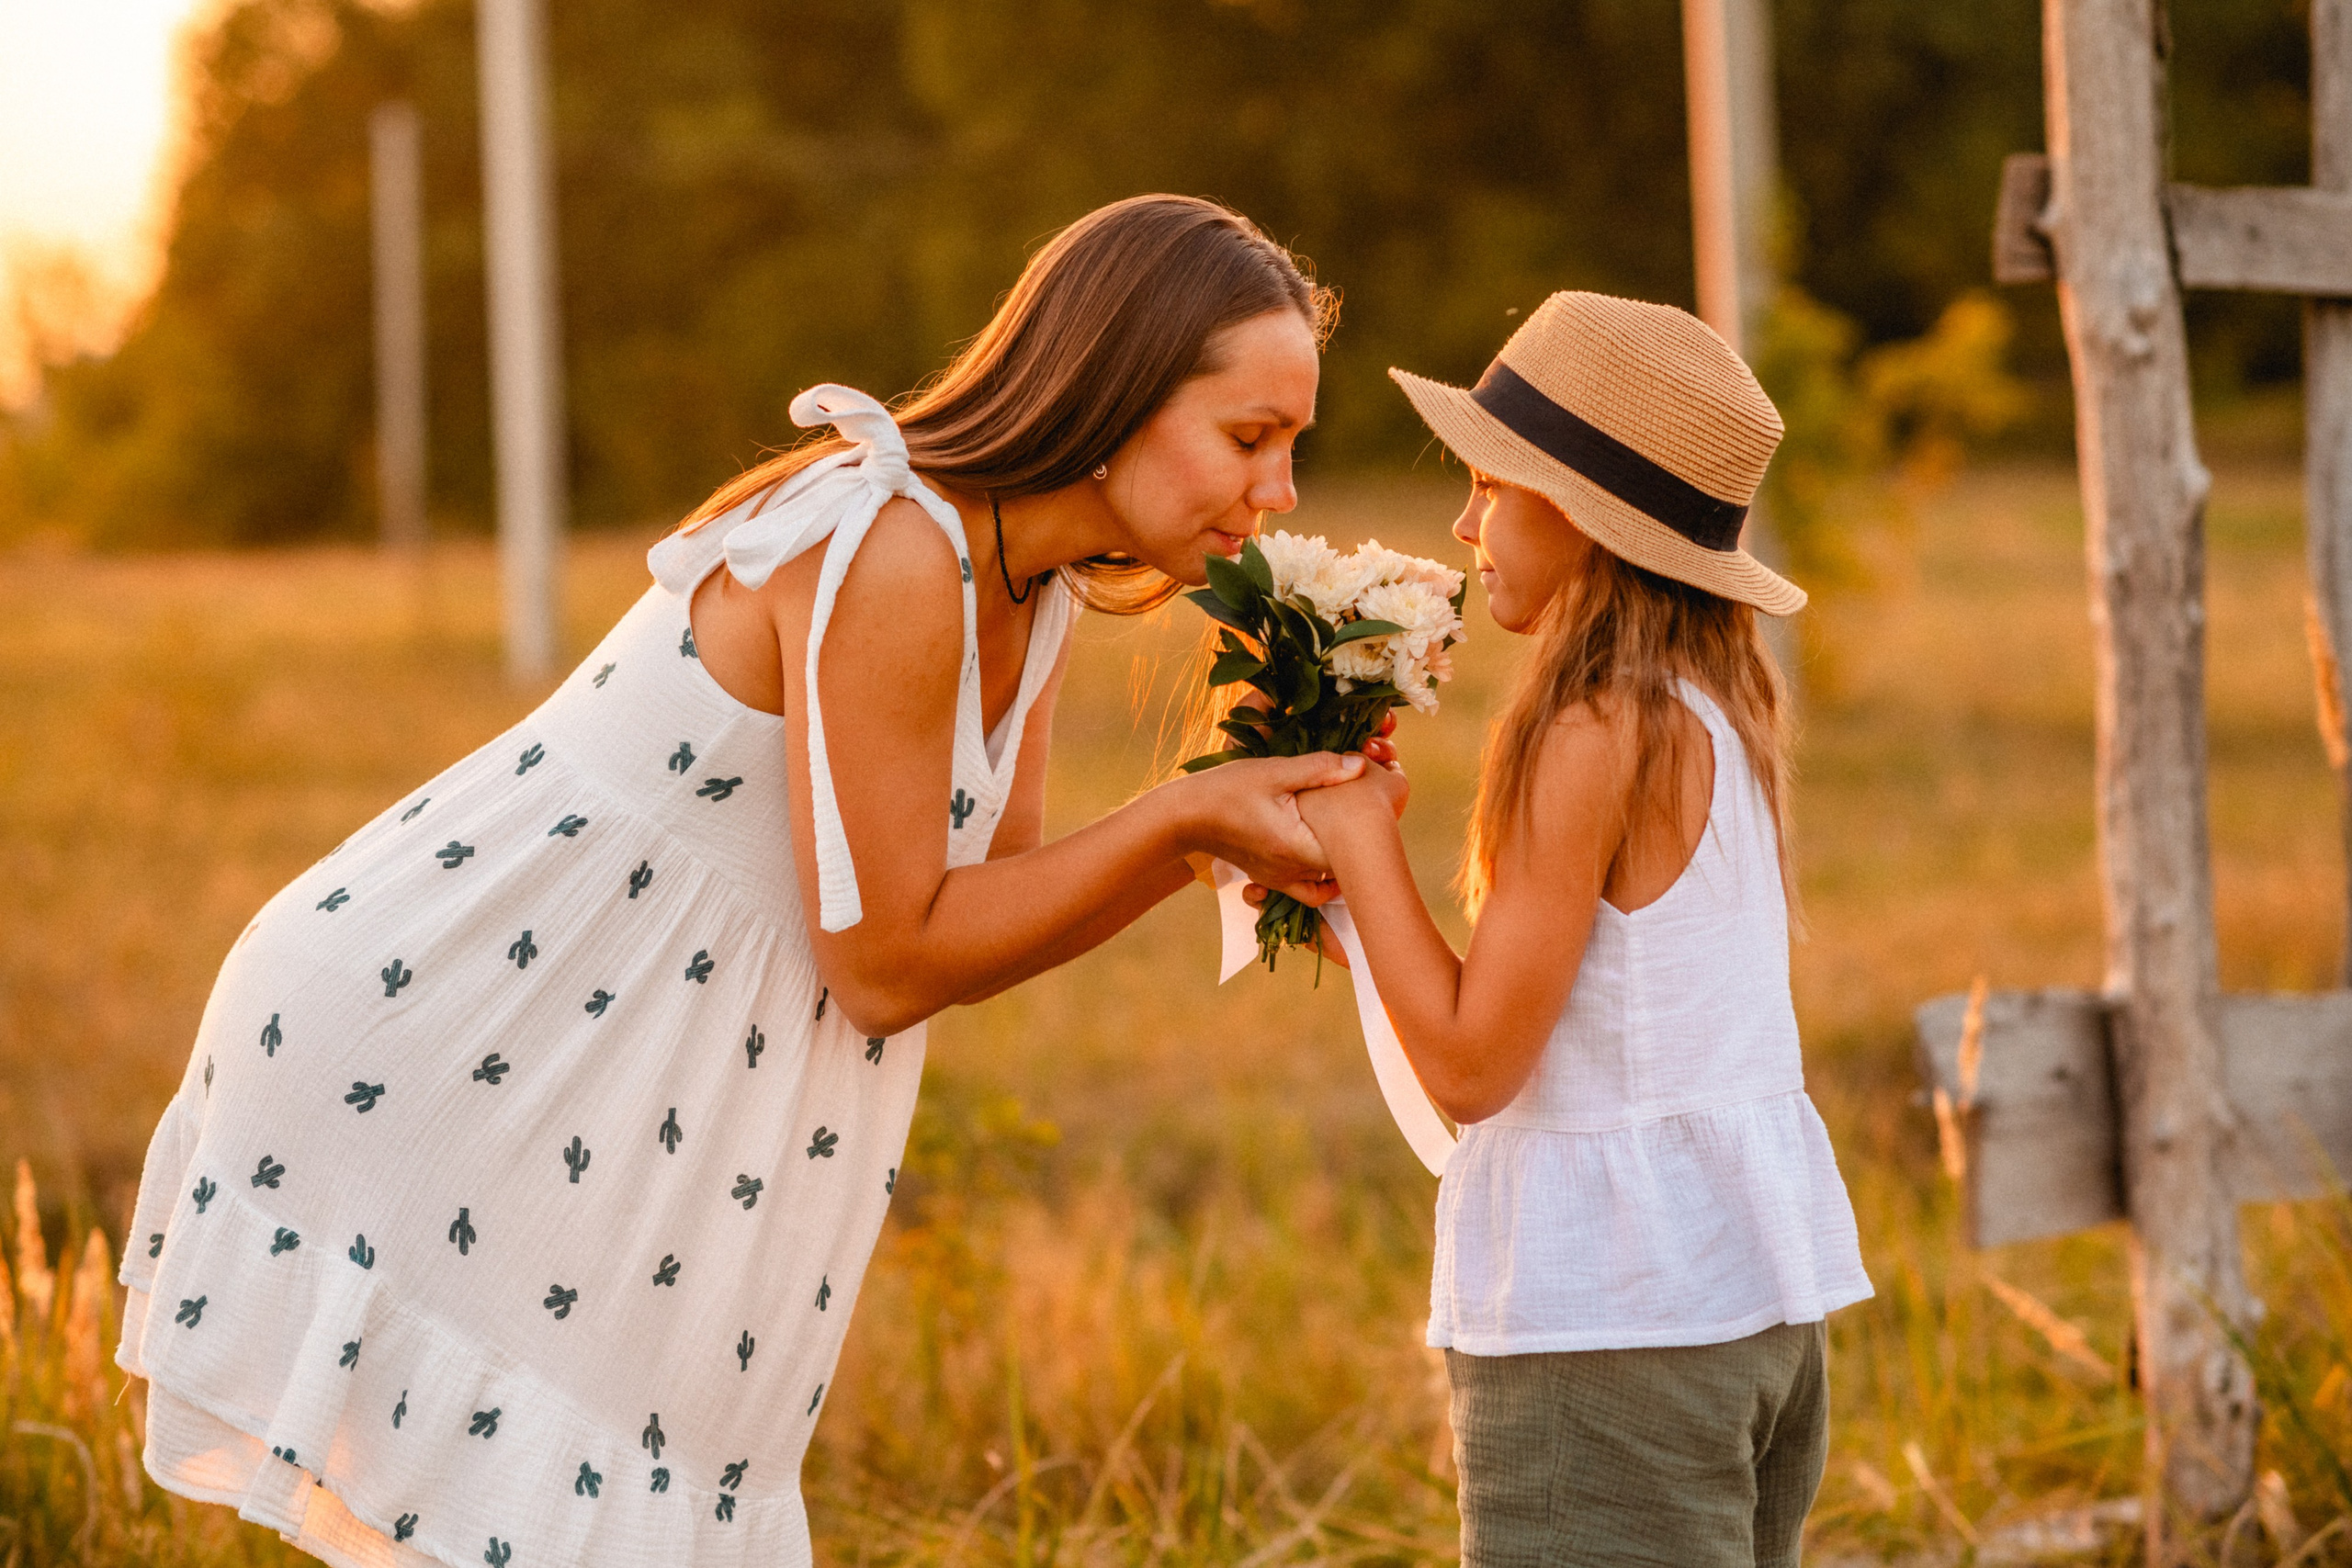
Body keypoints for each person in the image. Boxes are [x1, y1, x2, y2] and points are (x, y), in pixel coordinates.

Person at [114, 194, 1378, 1568]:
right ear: (1114, 391)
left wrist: (1216, 821)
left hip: (651, 1091)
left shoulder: (1038, 585)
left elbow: (988, 911)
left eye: (1291, 446)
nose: (1281, 491)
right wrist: (1190, 822)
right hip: (472, 1037)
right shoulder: (893, 546)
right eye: (1251, 437)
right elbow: (889, 964)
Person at [1283, 291, 1872, 1567]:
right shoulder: (1713, 707)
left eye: (1496, 485)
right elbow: (1575, 1018)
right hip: (1753, 1313)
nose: (1464, 523)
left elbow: (1475, 1068)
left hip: (1611, 1331)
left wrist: (1360, 834)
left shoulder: (1590, 727)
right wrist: (1350, 906)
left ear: (1588, 519)